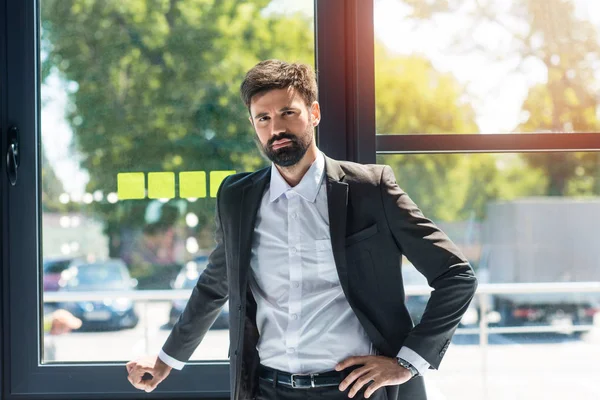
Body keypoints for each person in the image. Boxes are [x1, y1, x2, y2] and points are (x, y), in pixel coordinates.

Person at [126, 60, 478, 400]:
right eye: (262, 118)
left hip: (356, 390)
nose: (275, 128)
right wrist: (166, 359)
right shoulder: (237, 198)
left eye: (287, 113)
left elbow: (456, 276)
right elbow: (215, 284)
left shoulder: (371, 190)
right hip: (265, 387)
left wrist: (407, 362)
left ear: (314, 113)